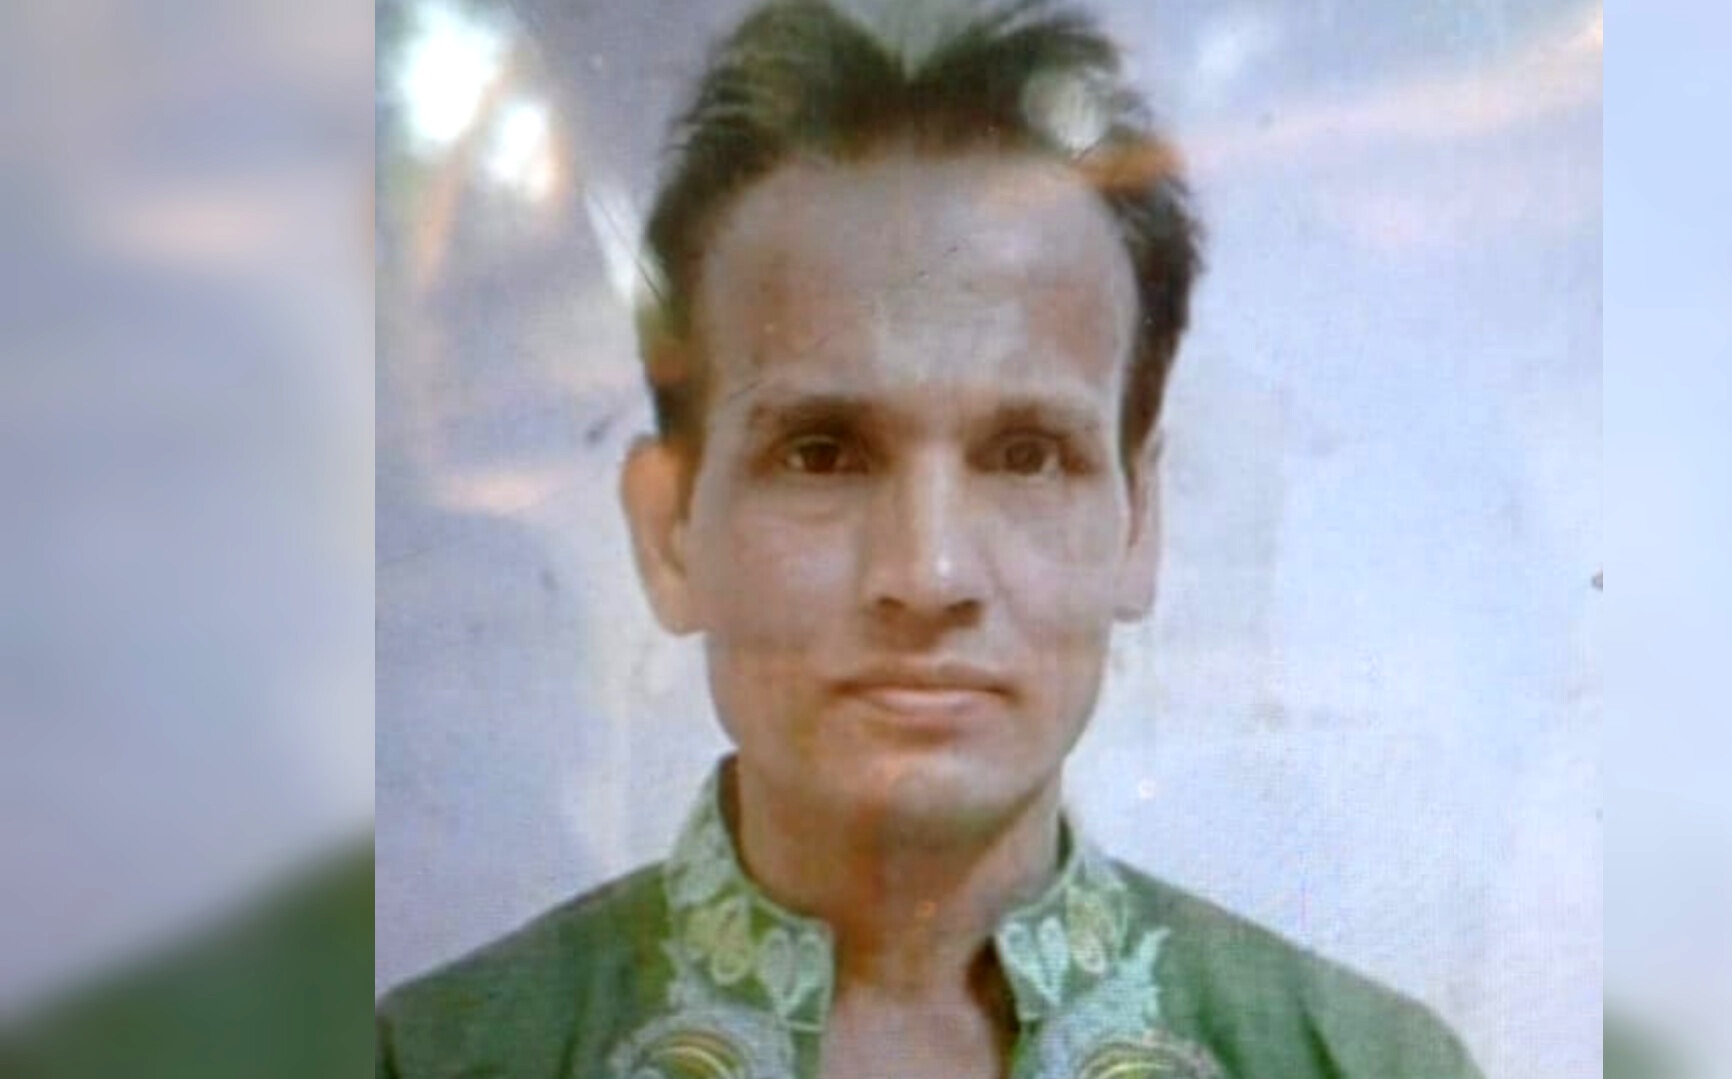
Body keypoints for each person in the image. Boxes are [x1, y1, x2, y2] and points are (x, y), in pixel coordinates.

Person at [376, 2, 1483, 1076]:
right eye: (823, 453)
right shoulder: (425, 1059)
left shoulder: (1362, 1064)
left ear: (1137, 523)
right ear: (670, 531)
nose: (929, 573)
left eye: (1027, 455)